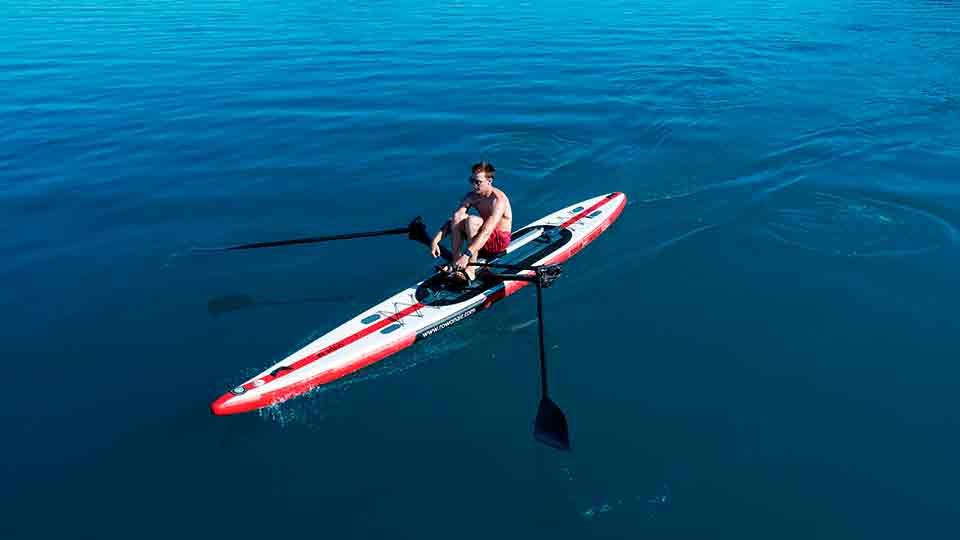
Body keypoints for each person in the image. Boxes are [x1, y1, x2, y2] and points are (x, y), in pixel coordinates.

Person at [430, 161, 513, 283]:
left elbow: (486, 231)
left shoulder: (498, 200)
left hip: (498, 242)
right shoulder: (472, 196)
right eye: (472, 181)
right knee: (458, 216)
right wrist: (435, 240)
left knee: (472, 220)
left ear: (489, 181)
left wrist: (467, 255)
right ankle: (455, 262)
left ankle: (471, 269)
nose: (474, 185)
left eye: (478, 182)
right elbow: (454, 219)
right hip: (481, 239)